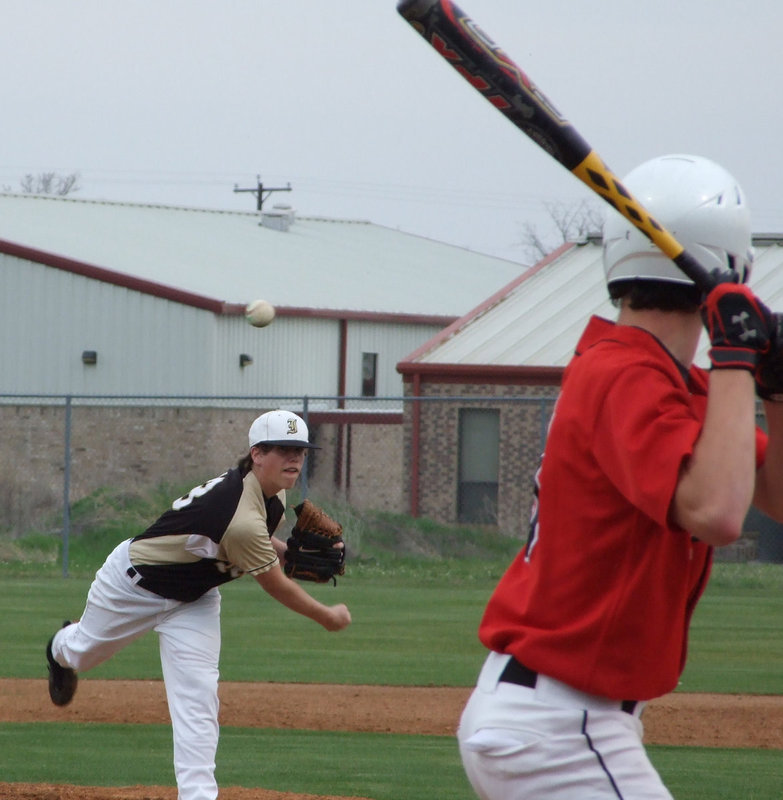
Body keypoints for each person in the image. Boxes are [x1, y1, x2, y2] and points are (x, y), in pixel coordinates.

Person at [457, 154, 783, 799]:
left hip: (567, 720)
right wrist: (735, 359)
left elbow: (773, 497)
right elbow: (718, 513)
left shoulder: (663, 383)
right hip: (557, 727)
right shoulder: (625, 376)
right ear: (737, 262)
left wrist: (772, 390)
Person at [45, 409, 351, 800]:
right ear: (257, 453)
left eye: (301, 450)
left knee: (198, 695)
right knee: (80, 653)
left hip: (195, 599)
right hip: (132, 587)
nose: (294, 458)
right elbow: (274, 582)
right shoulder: (239, 511)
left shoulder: (269, 492)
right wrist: (326, 616)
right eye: (283, 449)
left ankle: (198, 795)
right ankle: (59, 647)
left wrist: (288, 553)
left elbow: (255, 544)